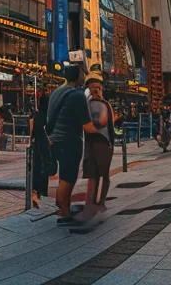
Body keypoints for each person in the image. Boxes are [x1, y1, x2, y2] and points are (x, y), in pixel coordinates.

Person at [48, 63, 94, 224]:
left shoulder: (56, 92)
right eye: (82, 74)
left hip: (55, 140)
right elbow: (87, 125)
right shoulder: (77, 95)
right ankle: (64, 212)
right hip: (69, 141)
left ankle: (64, 208)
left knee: (63, 177)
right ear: (78, 76)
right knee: (68, 178)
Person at [82, 74, 115, 214]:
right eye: (93, 85)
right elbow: (104, 120)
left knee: (100, 174)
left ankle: (98, 202)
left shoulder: (102, 104)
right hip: (94, 141)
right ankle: (93, 202)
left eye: (98, 85)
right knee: (94, 174)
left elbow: (105, 121)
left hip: (101, 141)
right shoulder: (90, 103)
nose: (96, 87)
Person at [30, 92, 53, 208]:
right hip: (44, 143)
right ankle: (41, 193)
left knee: (37, 168)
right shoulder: (48, 116)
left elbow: (33, 131)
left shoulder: (37, 115)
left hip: (36, 144)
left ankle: (36, 192)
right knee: (45, 167)